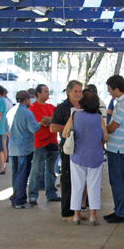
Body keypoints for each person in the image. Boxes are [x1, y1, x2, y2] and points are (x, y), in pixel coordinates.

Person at [62, 91, 108, 225]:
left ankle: (76, 214)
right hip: (95, 156)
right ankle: (93, 215)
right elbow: (105, 137)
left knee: (77, 185)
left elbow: (65, 133)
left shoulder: (75, 115)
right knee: (94, 185)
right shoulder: (98, 118)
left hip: (78, 155)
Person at [104, 75, 124, 224]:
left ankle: (122, 212)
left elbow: (112, 127)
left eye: (110, 89)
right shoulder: (122, 102)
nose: (110, 92)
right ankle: (119, 209)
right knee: (115, 180)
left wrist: (100, 128)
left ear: (117, 89)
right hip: (116, 145)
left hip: (119, 147)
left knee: (118, 180)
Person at [51, 80, 83, 221]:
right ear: (68, 91)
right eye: (75, 91)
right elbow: (53, 127)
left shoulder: (84, 106)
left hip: (82, 147)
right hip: (67, 148)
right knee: (68, 179)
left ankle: (77, 209)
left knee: (80, 180)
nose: (78, 94)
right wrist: (69, 126)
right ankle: (67, 212)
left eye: (80, 91)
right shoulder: (62, 108)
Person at [28, 84, 61, 205]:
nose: (48, 94)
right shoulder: (33, 108)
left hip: (52, 142)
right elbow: (43, 121)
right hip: (40, 143)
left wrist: (49, 119)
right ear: (38, 93)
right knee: (36, 171)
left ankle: (51, 194)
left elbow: (54, 120)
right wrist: (49, 120)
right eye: (45, 92)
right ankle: (32, 195)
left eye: (48, 91)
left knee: (51, 171)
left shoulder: (51, 107)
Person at [6, 91, 40, 209]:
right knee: (22, 175)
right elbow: (34, 129)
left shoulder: (10, 111)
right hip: (24, 148)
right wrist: (41, 123)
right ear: (26, 99)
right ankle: (20, 200)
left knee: (16, 174)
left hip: (13, 146)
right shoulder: (27, 113)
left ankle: (15, 197)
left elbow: (6, 129)